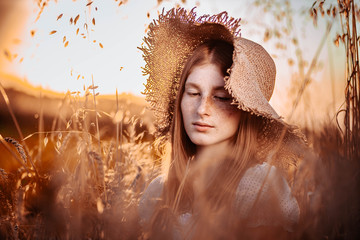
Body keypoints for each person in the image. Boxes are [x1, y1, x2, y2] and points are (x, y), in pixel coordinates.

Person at [138, 7, 307, 239]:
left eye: (220, 97)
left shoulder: (258, 187)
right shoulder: (157, 191)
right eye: (193, 93)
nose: (202, 109)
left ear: (246, 111)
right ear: (179, 101)